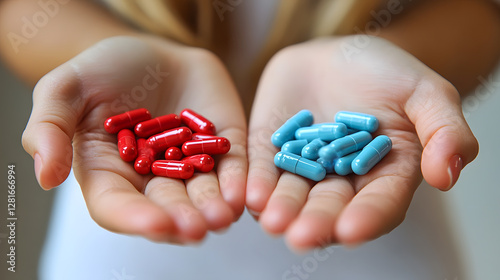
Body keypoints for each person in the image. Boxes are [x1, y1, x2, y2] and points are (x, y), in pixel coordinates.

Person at [0, 0, 499, 279]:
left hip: (386, 258)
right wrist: (95, 61)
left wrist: (385, 58)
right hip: (119, 255)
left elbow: (482, 15)